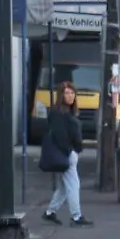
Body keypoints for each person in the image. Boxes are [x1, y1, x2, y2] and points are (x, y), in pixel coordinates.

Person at [42, 82, 92, 227]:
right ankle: (76, 216)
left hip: (69, 152)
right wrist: (71, 150)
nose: (70, 96)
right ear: (61, 95)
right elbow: (60, 134)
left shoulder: (68, 112)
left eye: (72, 93)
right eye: (67, 93)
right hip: (67, 153)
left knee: (65, 187)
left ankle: (50, 212)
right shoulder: (58, 113)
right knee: (73, 185)